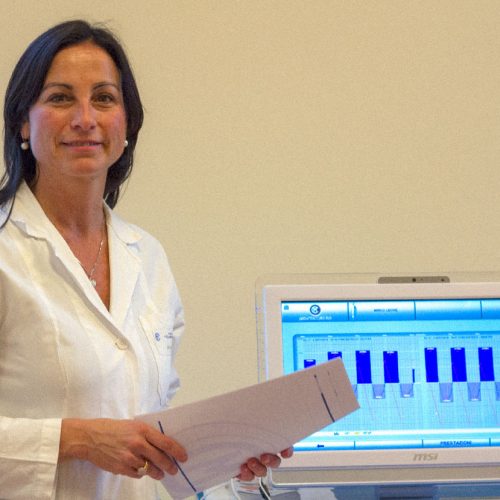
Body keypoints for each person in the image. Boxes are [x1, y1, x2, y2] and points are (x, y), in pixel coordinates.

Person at [0, 20, 292, 500]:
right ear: (22, 123)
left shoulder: (148, 257)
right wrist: (77, 439)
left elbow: (149, 442)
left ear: (127, 125)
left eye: (103, 98)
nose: (85, 118)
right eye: (60, 98)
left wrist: (229, 456)